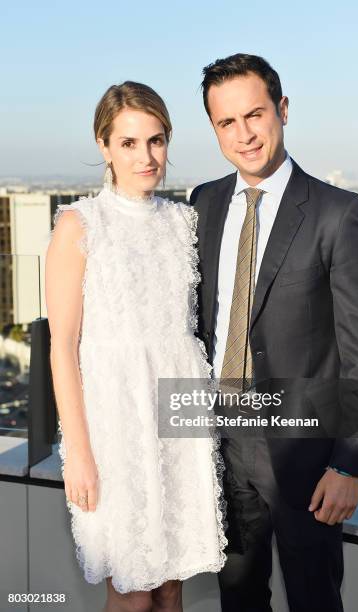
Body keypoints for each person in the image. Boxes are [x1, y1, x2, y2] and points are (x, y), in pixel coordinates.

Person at [189, 54, 358, 612]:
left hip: (305, 452)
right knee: (237, 595)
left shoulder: (337, 212)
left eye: (254, 114)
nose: (244, 134)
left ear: (282, 109)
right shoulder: (203, 203)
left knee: (313, 598)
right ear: (214, 129)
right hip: (220, 443)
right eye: (227, 122)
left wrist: (350, 464)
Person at [45, 81, 227, 612]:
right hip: (115, 427)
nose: (146, 157)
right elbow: (62, 347)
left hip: (180, 419)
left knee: (172, 586)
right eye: (128, 143)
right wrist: (78, 452)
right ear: (104, 146)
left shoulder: (182, 223)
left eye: (156, 140)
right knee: (132, 591)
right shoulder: (80, 225)